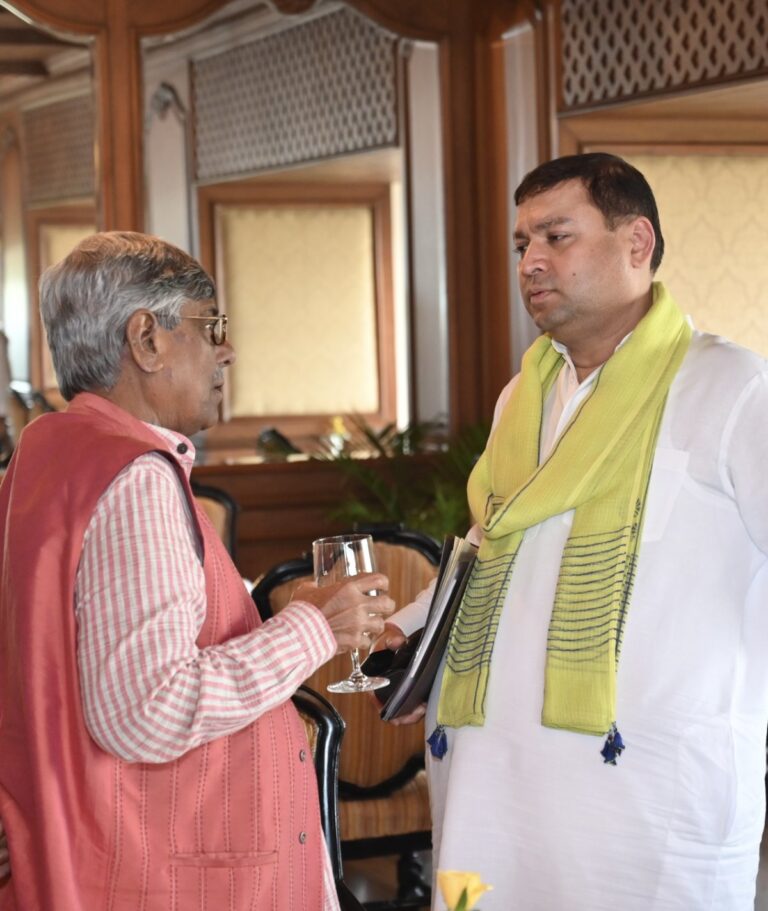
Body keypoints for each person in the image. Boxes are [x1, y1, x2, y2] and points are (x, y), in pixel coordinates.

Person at [384, 152, 768, 910]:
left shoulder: (731, 387)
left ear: (638, 244)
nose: (532, 262)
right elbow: (494, 551)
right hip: (492, 782)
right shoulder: (523, 394)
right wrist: (407, 631)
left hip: (646, 793)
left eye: (557, 237)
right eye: (522, 244)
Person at [0, 231, 395, 910]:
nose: (227, 351)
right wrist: (315, 628)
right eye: (212, 326)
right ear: (146, 339)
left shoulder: (46, 451)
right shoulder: (133, 476)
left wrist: (273, 616)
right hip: (164, 870)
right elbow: (147, 709)